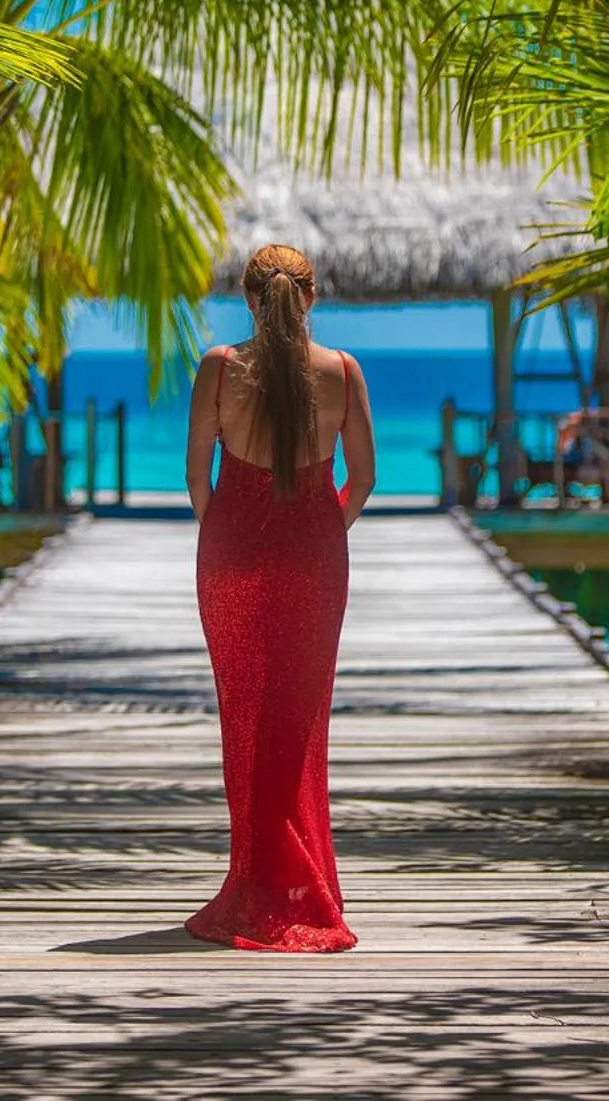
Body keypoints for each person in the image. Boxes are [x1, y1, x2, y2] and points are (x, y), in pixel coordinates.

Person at [182, 244, 375, 953]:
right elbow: (362, 480)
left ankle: (259, 882)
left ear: (248, 300)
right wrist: (319, 531)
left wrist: (229, 531)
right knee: (297, 720)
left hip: (231, 554)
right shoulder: (343, 372)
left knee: (246, 714)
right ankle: (298, 886)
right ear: (312, 298)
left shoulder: (219, 367)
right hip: (315, 558)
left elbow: (197, 477)